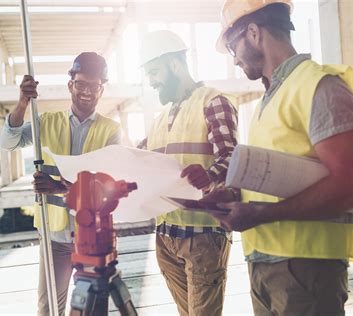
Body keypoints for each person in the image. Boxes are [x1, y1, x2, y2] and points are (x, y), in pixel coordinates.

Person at [205, 0, 353, 314]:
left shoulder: (318, 86)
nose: (234, 61)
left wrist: (261, 214)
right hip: (263, 266)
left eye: (233, 48)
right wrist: (236, 197)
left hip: (306, 271)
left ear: (254, 33)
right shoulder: (268, 100)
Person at [0, 52, 122, 315]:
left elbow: (110, 188)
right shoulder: (48, 122)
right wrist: (22, 102)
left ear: (102, 89)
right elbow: (9, 142)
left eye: (94, 85)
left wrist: (59, 188)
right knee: (48, 307)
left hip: (93, 238)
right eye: (81, 84)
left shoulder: (112, 131)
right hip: (54, 236)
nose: (87, 91)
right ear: (70, 85)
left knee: (89, 309)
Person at [137, 30, 239, 315]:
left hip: (203, 236)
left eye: (154, 72)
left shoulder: (213, 101)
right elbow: (136, 159)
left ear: (174, 64)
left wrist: (209, 175)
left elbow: (232, 157)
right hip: (166, 236)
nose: (152, 82)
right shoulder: (159, 120)